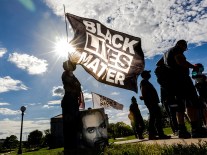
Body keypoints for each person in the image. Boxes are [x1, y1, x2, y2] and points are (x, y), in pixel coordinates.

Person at [161, 40, 207, 138]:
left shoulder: (166, 53)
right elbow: (180, 61)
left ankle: (182, 130)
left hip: (174, 82)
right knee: (191, 103)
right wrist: (193, 67)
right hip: (183, 80)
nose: (185, 50)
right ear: (181, 45)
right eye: (185, 48)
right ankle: (196, 129)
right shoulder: (177, 49)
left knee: (180, 106)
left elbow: (159, 64)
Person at [140, 70, 171, 140]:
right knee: (155, 117)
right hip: (151, 102)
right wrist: (144, 96)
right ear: (145, 75)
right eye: (148, 73)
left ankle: (158, 134)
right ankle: (154, 134)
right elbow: (143, 90)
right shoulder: (143, 81)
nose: (149, 74)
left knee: (156, 117)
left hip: (152, 102)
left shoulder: (146, 82)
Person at [61, 60, 82, 153]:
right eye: (69, 66)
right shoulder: (65, 74)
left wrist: (77, 87)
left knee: (76, 122)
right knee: (69, 123)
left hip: (74, 101)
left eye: (72, 66)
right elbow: (71, 84)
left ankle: (76, 145)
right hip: (68, 101)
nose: (71, 68)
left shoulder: (73, 76)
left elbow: (79, 86)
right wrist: (75, 86)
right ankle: (70, 147)